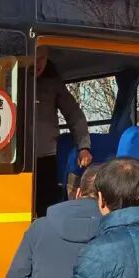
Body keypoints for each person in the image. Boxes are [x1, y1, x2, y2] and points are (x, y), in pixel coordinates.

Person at [34, 48, 92, 217]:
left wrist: (83, 147)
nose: (38, 64)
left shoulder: (53, 83)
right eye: (35, 58)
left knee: (47, 210)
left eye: (42, 59)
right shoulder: (6, 77)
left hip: (45, 158)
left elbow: (75, 115)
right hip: (9, 160)